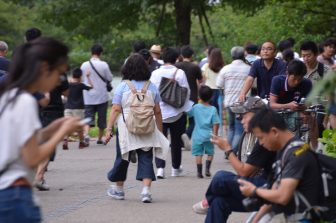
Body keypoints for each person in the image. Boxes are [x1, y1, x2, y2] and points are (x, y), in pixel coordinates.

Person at [0, 37, 83, 223]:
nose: (57, 82)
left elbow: (19, 142)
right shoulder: (26, 102)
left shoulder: (10, 95)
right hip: (15, 197)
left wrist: (52, 129)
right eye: (58, 74)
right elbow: (32, 157)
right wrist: (63, 133)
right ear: (45, 68)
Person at [192, 97, 276, 223]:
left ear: (257, 116)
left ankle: (208, 201)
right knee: (219, 201)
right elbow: (249, 171)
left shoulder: (267, 137)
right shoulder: (262, 136)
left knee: (220, 178)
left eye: (244, 116)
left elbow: (244, 172)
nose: (240, 120)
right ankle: (210, 201)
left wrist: (228, 149)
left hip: (270, 189)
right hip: (264, 184)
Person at [105, 54, 169, 203]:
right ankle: (146, 192)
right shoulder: (151, 86)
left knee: (123, 157)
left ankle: (119, 190)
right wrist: (159, 129)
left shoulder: (122, 86)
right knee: (146, 157)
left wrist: (109, 129)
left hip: (127, 126)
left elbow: (115, 109)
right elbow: (158, 111)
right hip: (147, 126)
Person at [238, 108, 320, 222]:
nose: (260, 143)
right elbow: (274, 192)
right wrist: (255, 220)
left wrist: (254, 191)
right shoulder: (283, 151)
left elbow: (282, 196)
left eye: (261, 138)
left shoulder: (298, 153)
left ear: (274, 132)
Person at [150, 47, 193, 178]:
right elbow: (187, 92)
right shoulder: (179, 73)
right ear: (176, 58)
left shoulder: (155, 73)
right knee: (176, 141)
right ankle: (175, 168)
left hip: (159, 113)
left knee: (160, 141)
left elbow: (150, 92)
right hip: (177, 113)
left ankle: (160, 169)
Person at [216, 46, 251, 152]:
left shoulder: (225, 69)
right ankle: (232, 151)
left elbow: (218, 85)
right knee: (239, 129)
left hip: (229, 102)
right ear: (243, 55)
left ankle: (228, 151)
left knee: (231, 127)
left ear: (232, 56)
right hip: (242, 104)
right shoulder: (248, 69)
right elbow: (254, 84)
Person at [81, 44, 113, 144]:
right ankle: (99, 139)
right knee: (101, 117)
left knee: (88, 117)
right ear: (101, 53)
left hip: (88, 96)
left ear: (91, 52)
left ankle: (86, 134)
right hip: (101, 96)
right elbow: (110, 78)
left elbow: (82, 79)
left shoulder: (84, 65)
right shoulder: (104, 65)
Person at [188, 85, 219, 178]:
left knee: (198, 153)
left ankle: (199, 172)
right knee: (210, 152)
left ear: (199, 96)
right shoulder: (213, 109)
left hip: (197, 135)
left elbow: (189, 114)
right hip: (209, 135)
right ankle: (207, 169)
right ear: (211, 97)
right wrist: (215, 135)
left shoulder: (196, 107)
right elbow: (216, 123)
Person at [175, 45, 203, 150]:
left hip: (178, 98)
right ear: (192, 55)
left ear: (182, 55)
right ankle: (187, 135)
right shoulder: (195, 67)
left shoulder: (176, 66)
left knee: (179, 121)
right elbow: (201, 81)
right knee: (193, 121)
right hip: (192, 97)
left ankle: (179, 142)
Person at [63, 68, 93, 150]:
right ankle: (81, 142)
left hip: (68, 108)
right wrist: (88, 77)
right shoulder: (81, 85)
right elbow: (91, 87)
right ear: (80, 76)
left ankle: (65, 140)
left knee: (68, 125)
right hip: (78, 109)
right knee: (79, 127)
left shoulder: (68, 84)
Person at [202, 48, 225, 112]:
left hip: (209, 91)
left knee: (210, 109)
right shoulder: (224, 67)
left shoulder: (206, 66)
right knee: (219, 110)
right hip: (220, 90)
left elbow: (203, 79)